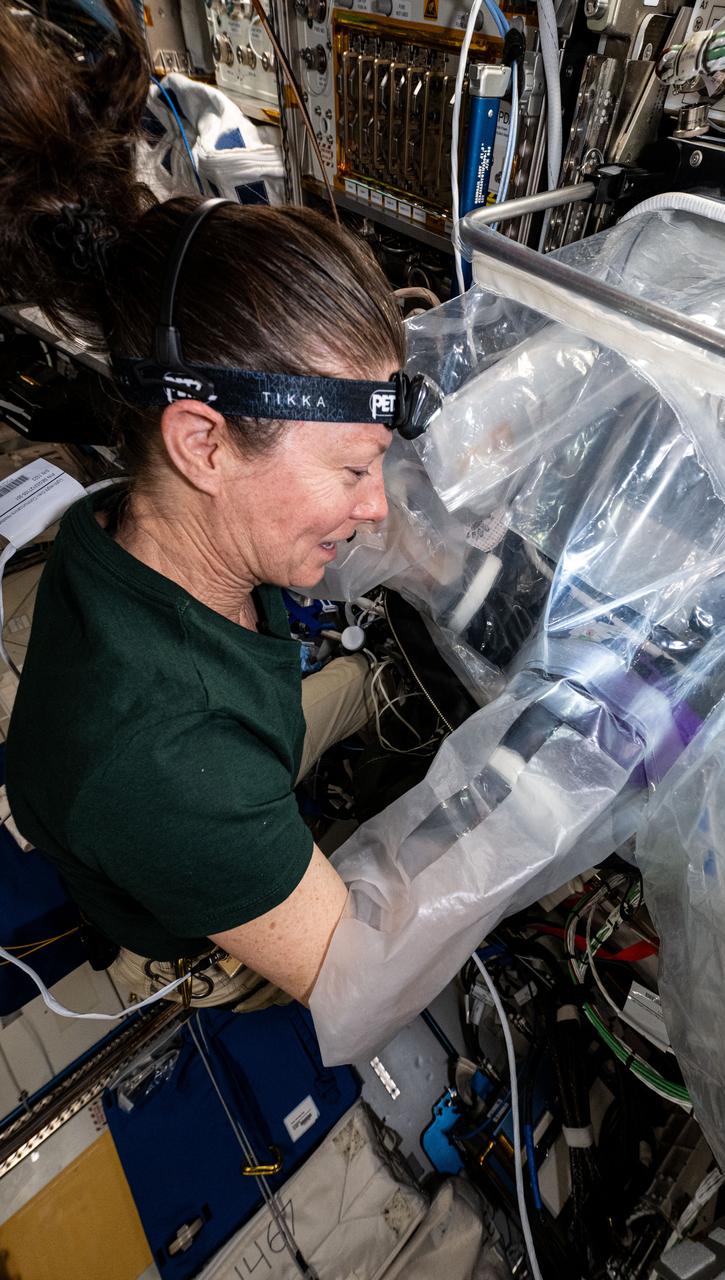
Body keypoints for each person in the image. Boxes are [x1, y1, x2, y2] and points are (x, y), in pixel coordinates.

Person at [0, 0, 410, 1011]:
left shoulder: (143, 520)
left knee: (377, 686)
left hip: (210, 773)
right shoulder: (170, 766)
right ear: (202, 442)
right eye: (354, 469)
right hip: (183, 907)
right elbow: (363, 985)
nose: (377, 504)